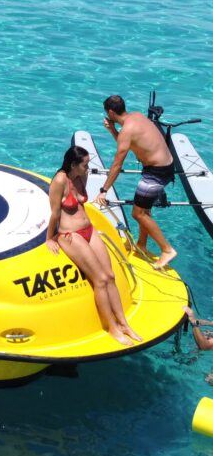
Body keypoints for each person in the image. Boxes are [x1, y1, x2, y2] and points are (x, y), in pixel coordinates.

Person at [47, 145, 141, 346]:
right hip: (70, 235)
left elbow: (81, 203)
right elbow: (55, 212)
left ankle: (123, 323)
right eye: (85, 164)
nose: (88, 168)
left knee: (110, 276)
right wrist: (49, 238)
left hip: (89, 230)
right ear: (73, 164)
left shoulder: (81, 176)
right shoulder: (59, 181)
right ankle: (112, 328)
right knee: (99, 279)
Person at [95, 94, 177, 269]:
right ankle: (141, 244)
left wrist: (104, 190)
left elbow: (117, 164)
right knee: (144, 211)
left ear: (110, 112)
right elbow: (129, 143)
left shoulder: (127, 130)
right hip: (165, 166)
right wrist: (113, 130)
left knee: (138, 214)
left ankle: (167, 249)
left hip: (156, 172)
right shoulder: (137, 116)